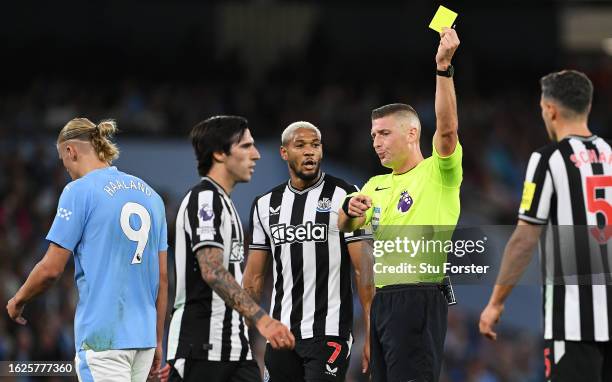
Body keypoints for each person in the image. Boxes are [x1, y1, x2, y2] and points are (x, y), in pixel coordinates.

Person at [337, 27, 462, 382]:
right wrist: (347, 213)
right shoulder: (374, 186)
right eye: (373, 134)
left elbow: (448, 130)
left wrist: (443, 69)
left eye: (384, 133)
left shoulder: (438, 173)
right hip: (383, 302)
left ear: (412, 134)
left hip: (420, 297)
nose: (376, 141)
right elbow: (343, 227)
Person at [6, 118, 169, 382]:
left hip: (102, 341)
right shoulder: (153, 197)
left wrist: (17, 301)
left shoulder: (78, 191)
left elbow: (50, 269)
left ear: (70, 151)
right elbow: (162, 279)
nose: (66, 169)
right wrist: (158, 341)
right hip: (144, 341)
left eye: (62, 160)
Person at [479, 70, 612, 381]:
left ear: (550, 109)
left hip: (574, 323)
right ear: (587, 107)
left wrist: (496, 302)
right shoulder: (610, 154)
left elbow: (524, 239)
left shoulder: (549, 159)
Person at [163, 116, 295, 382]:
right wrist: (262, 319)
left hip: (235, 349)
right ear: (220, 154)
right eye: (246, 146)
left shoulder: (225, 203)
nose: (256, 155)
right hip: (201, 349)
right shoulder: (206, 199)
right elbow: (211, 270)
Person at [243, 121, 374, 381]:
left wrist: (371, 334)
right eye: (300, 145)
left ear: (322, 151)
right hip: (281, 334)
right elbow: (254, 277)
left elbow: (364, 270)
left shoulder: (345, 195)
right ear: (284, 153)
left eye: (315, 145)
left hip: (330, 333)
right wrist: (243, 329)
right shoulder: (265, 205)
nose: (309, 151)